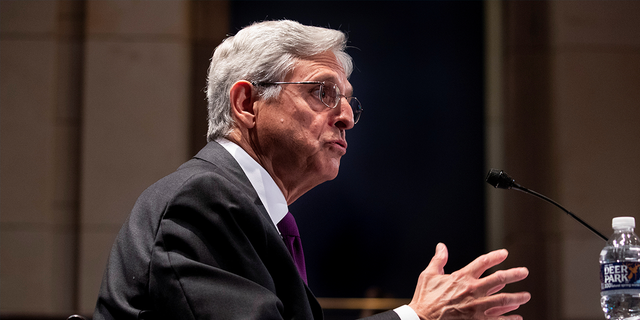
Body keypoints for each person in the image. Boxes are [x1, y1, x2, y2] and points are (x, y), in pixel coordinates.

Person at [93, 20, 531, 320]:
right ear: (246, 104)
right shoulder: (202, 200)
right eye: (322, 92)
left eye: (347, 99)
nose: (347, 117)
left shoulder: (246, 212)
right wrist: (416, 315)